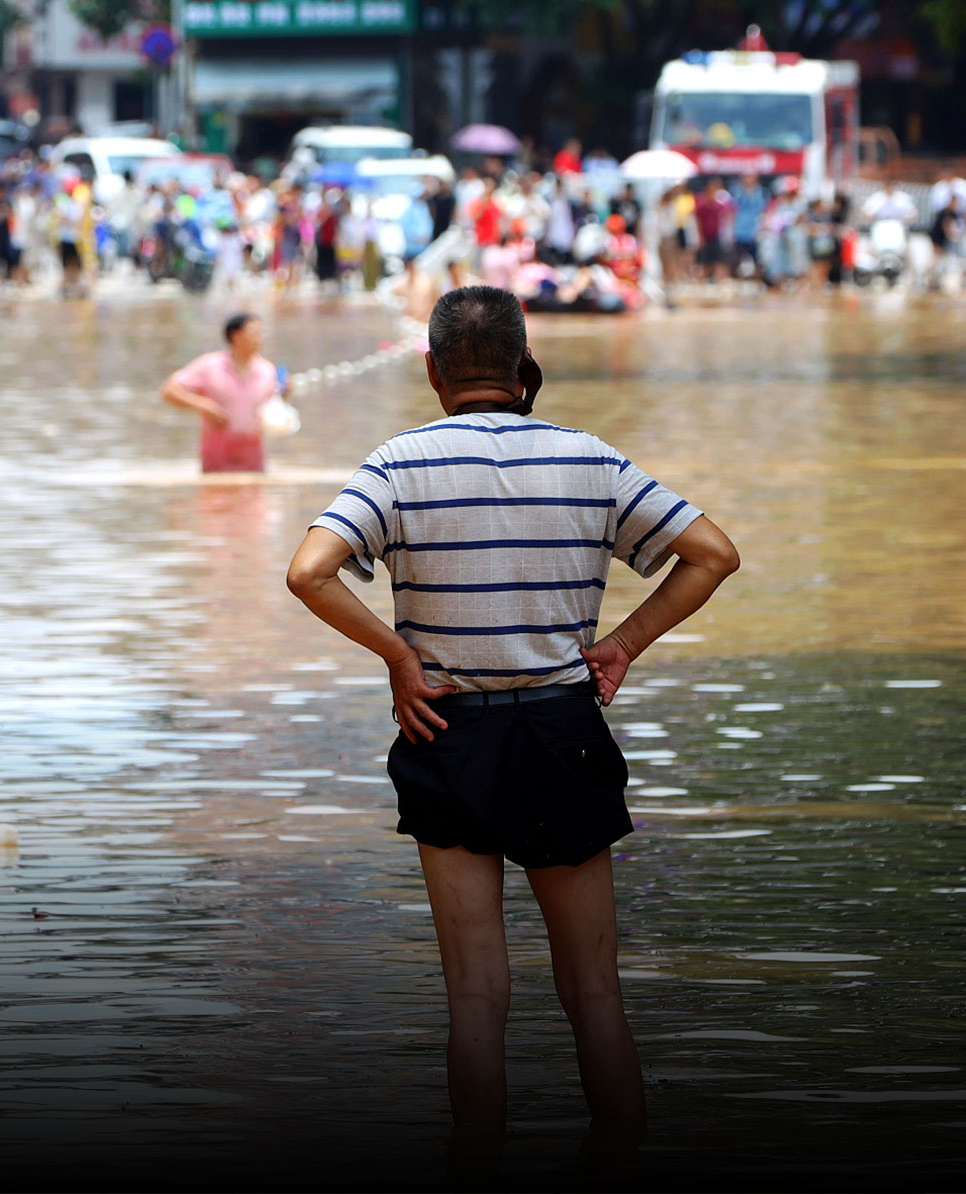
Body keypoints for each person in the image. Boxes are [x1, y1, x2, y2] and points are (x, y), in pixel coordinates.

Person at [284, 285, 741, 1165]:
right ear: (525, 368)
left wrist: (397, 655)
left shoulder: (397, 464)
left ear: (432, 371)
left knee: (475, 998)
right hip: (563, 731)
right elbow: (713, 554)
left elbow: (310, 572)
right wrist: (625, 644)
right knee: (594, 992)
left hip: (447, 733)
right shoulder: (589, 460)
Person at [160, 313, 284, 473]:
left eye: (261, 333)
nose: (260, 338)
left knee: (256, 496)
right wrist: (203, 405)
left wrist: (284, 396)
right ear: (236, 336)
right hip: (217, 456)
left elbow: (273, 407)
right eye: (254, 334)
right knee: (215, 497)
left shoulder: (267, 370)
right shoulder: (209, 366)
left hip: (253, 457)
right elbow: (169, 391)